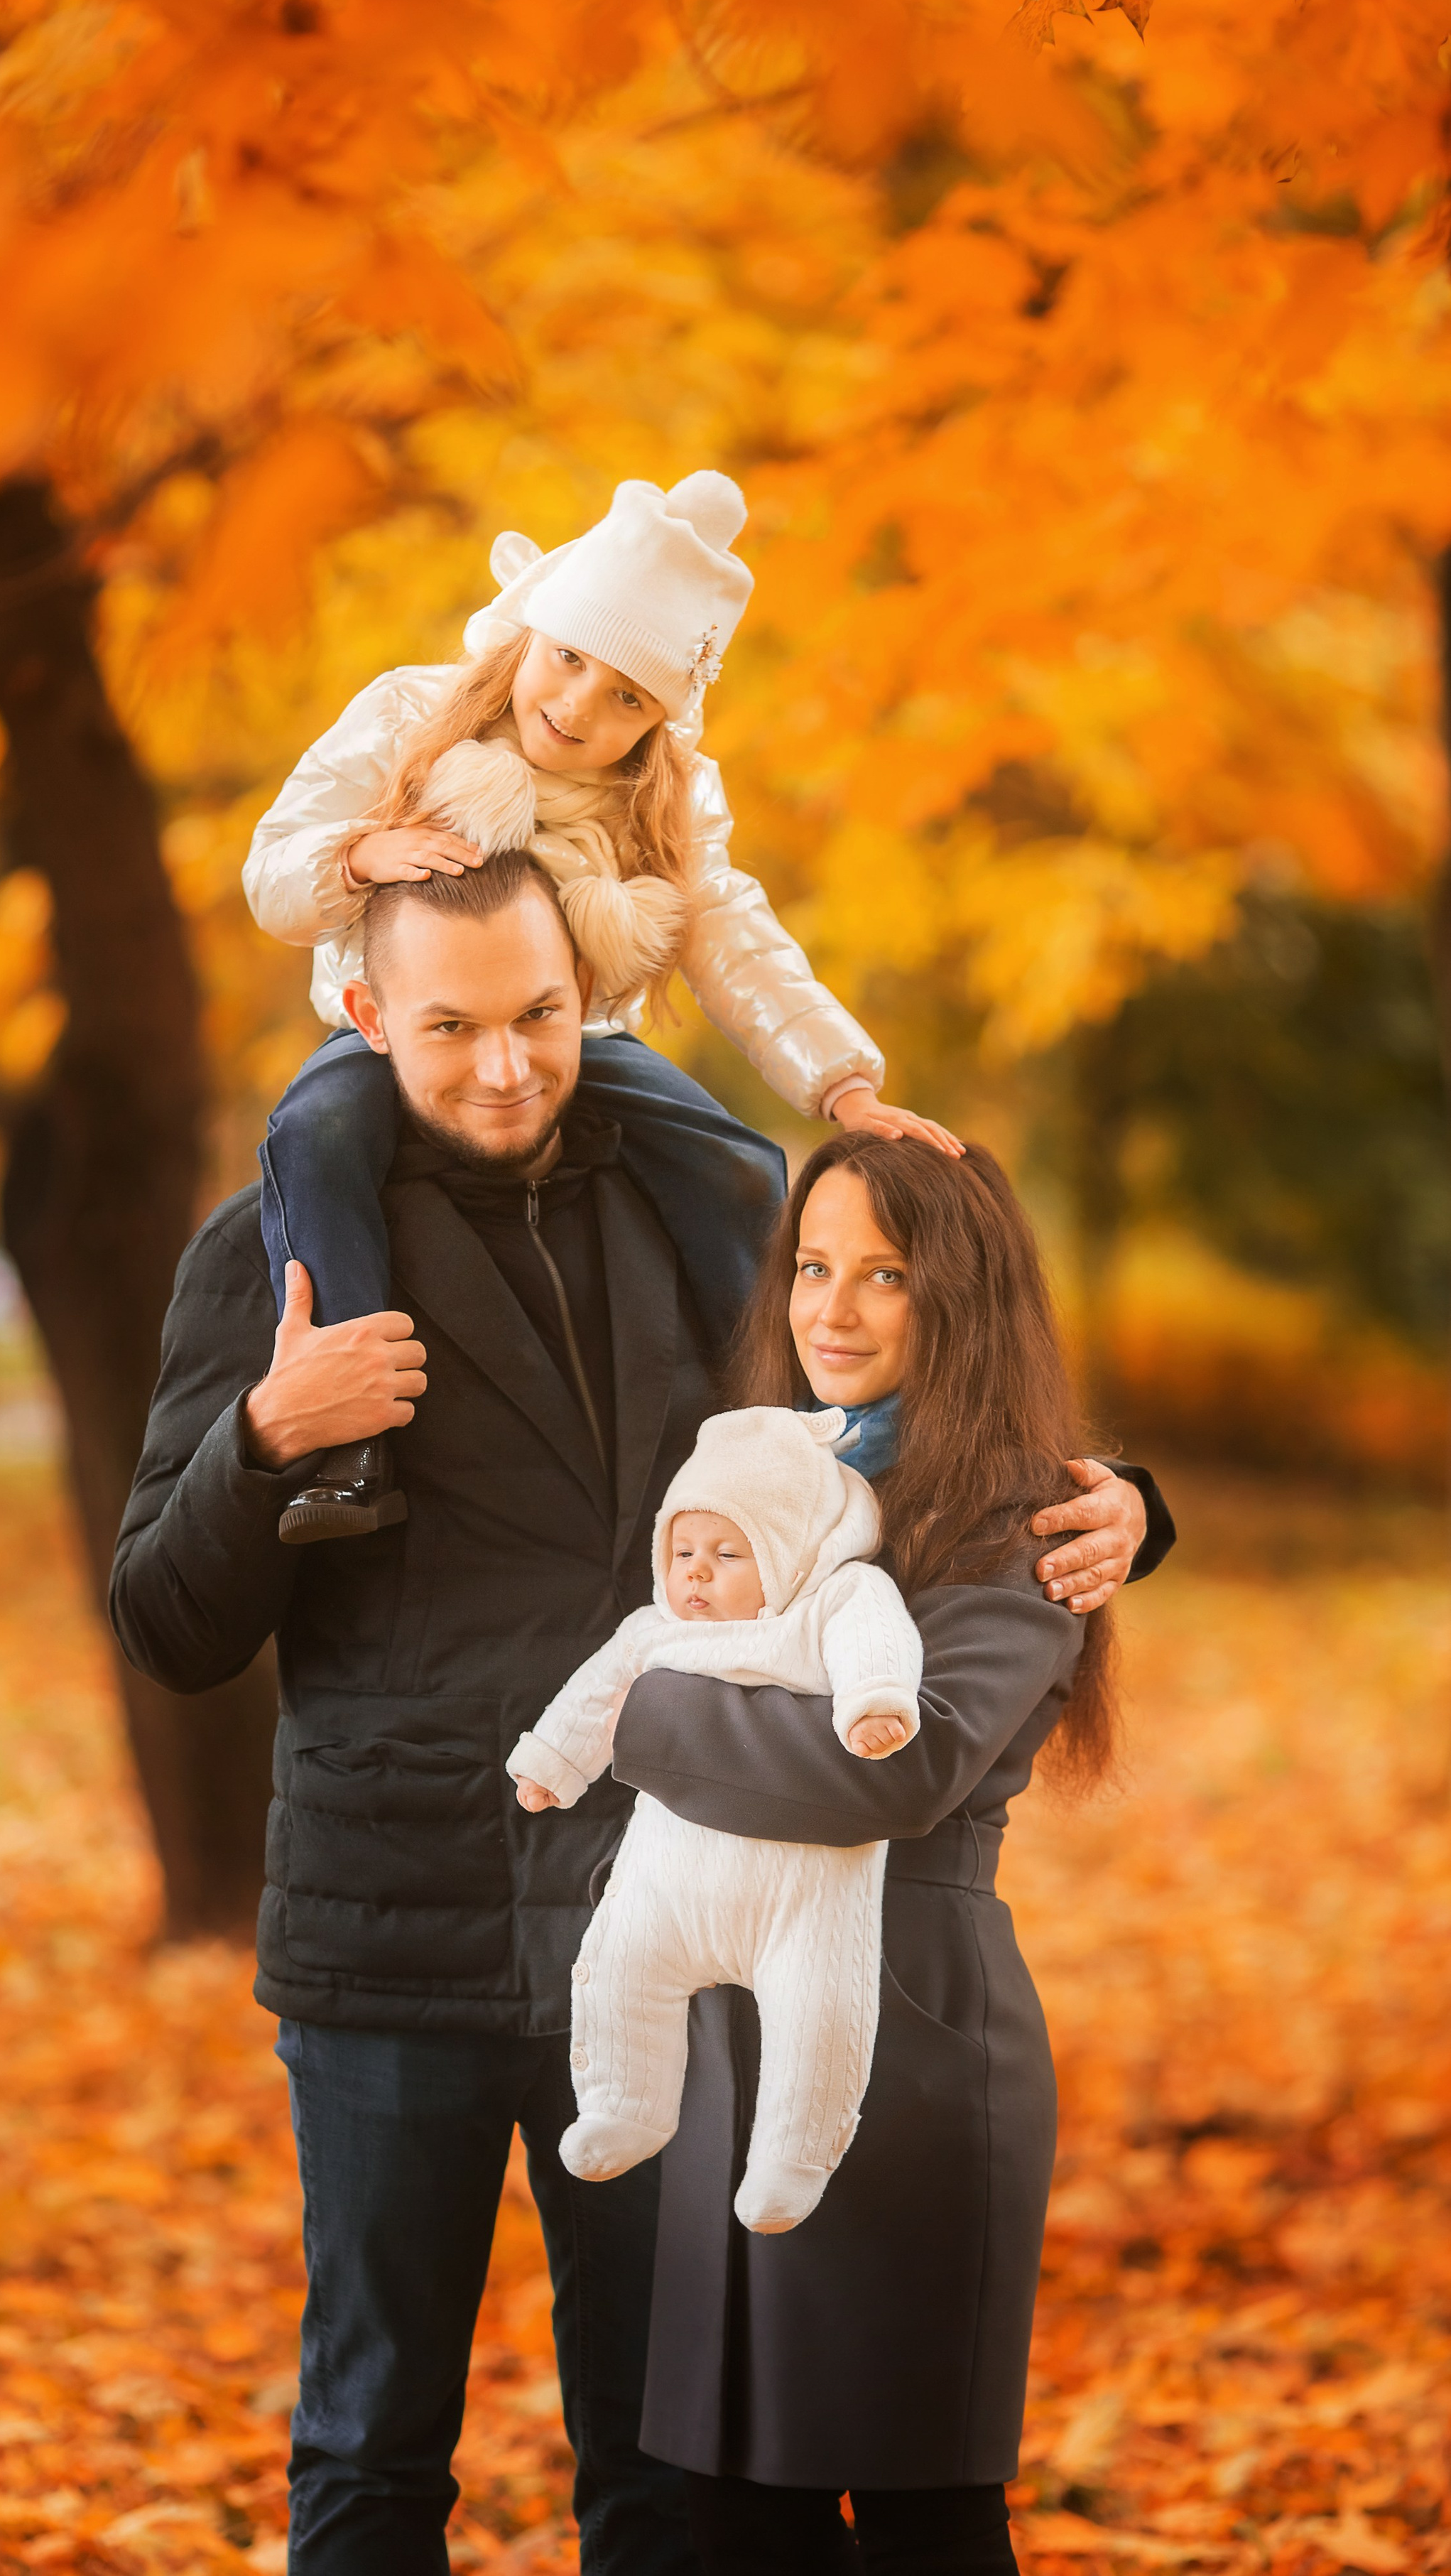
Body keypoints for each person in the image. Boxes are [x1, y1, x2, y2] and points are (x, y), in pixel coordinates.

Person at [109, 855, 1168, 2576]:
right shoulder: (275, 1255)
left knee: (665, 2468)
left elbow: (902, 1411)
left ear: (587, 995)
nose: (504, 1065)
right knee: (372, 2450)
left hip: (671, 1945)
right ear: (367, 1012)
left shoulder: (700, 1227)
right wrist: (262, 1442)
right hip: (396, 1943)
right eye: (448, 1025)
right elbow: (162, 1623)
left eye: (537, 1014)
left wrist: (1124, 1501)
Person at [607, 1132, 1156, 2576]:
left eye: (883, 1275)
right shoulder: (768, 1475)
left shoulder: (1018, 1518)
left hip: (908, 2049)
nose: (828, 1308)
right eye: (810, 1264)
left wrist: (638, 1713)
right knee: (734, 2509)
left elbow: (896, 1767)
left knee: (919, 2512)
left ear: (958, 1298)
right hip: (730, 2038)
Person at [242, 470, 961, 1544]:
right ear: (532, 630)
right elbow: (271, 872)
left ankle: (797, 1427)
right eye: (571, 658)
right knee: (316, 1131)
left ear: (661, 719)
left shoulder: (663, 798)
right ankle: (354, 1434)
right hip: (394, 1036)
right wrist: (357, 854)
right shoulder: (411, 717)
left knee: (733, 1164)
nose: (579, 707)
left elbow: (735, 938)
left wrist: (842, 1083)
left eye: (628, 696)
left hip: (574, 1044)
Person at [504, 1405, 922, 2234]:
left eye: (729, 1555)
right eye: (683, 1553)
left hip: (803, 1897)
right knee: (618, 1964)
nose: (697, 1574)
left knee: (822, 2012)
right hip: (669, 1879)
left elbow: (878, 1641)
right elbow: (594, 1696)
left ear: (791, 1550)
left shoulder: (833, 1597)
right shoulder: (652, 1630)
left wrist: (874, 1703)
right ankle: (625, 2103)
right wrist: (553, 1764)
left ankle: (793, 2159)